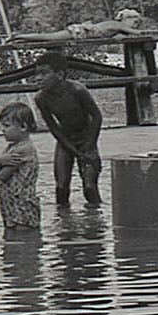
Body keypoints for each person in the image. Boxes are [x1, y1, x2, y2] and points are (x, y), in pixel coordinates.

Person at [32, 55, 103, 206]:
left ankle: (96, 220)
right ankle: (64, 222)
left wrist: (89, 145)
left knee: (90, 188)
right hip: (65, 140)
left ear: (59, 75)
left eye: (44, 73)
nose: (38, 78)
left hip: (86, 137)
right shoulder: (41, 98)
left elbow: (96, 117)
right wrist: (71, 148)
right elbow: (53, 127)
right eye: (36, 74)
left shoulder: (77, 90)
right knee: (61, 187)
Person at [0, 101, 44, 233]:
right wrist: (1, 161)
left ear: (23, 127)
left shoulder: (23, 150)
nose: (3, 130)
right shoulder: (12, 147)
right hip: (12, 202)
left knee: (23, 236)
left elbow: (1, 176)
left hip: (22, 203)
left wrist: (0, 162)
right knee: (12, 235)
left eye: (7, 126)